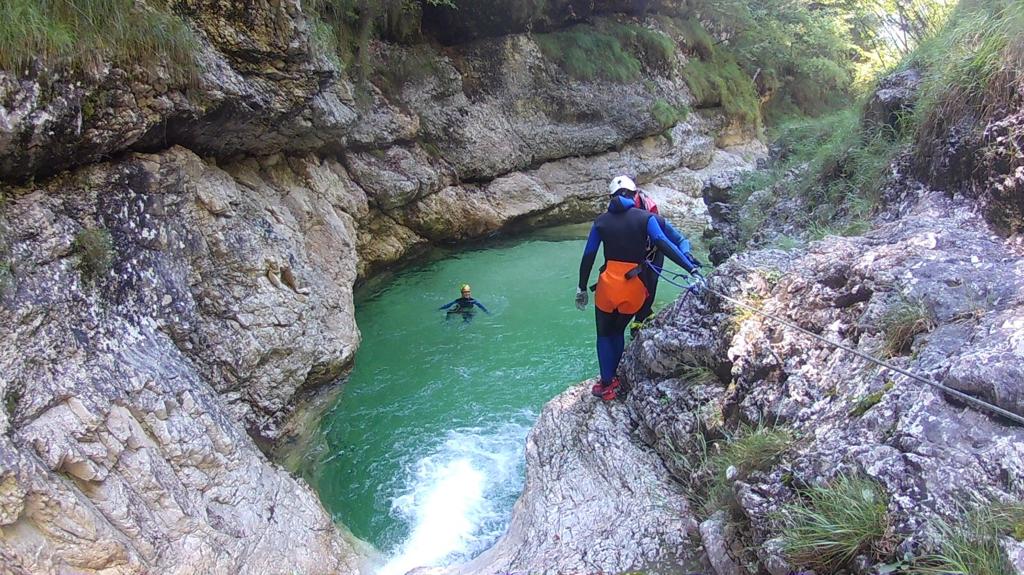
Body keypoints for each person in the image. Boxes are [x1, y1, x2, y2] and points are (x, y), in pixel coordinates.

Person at [575, 177, 704, 400]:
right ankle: (615, 379)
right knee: (619, 331)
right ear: (634, 195)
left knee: (605, 335)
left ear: (611, 198)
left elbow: (588, 255)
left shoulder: (600, 222)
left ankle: (607, 383)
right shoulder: (647, 218)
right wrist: (691, 268)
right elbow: (664, 243)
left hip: (607, 287)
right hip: (633, 287)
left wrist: (582, 288)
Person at [607, 176, 703, 336]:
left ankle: (640, 319)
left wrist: (686, 255)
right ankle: (645, 312)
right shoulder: (614, 219)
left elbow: (679, 240)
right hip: (632, 261)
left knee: (649, 284)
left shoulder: (650, 216)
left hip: (652, 255)